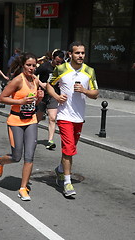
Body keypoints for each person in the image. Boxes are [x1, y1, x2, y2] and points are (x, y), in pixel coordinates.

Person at [47, 41, 99, 197]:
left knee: (70, 149)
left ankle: (60, 170)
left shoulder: (89, 71)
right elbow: (49, 85)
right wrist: (56, 96)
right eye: (77, 53)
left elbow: (96, 93)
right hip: (64, 116)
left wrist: (84, 90)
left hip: (79, 117)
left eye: (83, 53)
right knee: (69, 149)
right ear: (70, 54)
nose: (81, 55)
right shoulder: (61, 68)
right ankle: (67, 183)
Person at [0, 52, 44, 201]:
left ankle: (23, 188)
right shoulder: (17, 80)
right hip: (15, 122)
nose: (31, 68)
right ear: (23, 65)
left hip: (31, 120)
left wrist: (39, 99)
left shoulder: (35, 80)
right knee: (16, 157)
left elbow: (33, 104)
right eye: (29, 65)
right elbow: (2, 98)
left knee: (29, 156)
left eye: (34, 65)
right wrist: (20, 102)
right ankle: (0, 160)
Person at [35, 50, 64, 150]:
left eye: (60, 62)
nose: (58, 64)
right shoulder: (45, 66)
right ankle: (31, 137)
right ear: (53, 59)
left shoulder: (63, 68)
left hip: (54, 95)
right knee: (38, 118)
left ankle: (50, 141)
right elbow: (33, 74)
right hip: (43, 95)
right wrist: (40, 83)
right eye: (57, 61)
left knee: (52, 118)